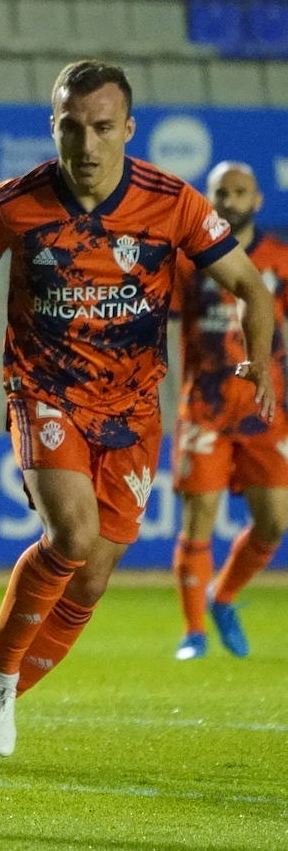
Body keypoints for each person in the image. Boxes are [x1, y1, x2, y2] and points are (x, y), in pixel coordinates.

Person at [0, 60, 276, 769]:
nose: (86, 145)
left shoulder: (173, 202)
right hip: (45, 391)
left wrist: (259, 359)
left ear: (128, 129)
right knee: (72, 534)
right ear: (54, 127)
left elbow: (249, 284)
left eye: (101, 128)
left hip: (131, 410)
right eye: (72, 127)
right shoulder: (16, 200)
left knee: (92, 576)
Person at [170, 161, 288, 660]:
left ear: (258, 200)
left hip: (265, 407)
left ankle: (224, 596)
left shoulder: (280, 259)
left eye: (241, 192)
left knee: (274, 524)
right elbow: (159, 324)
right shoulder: (185, 262)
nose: (231, 201)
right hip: (205, 406)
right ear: (208, 196)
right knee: (199, 520)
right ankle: (193, 633)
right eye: (222, 192)